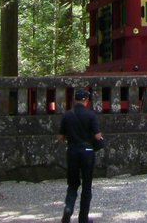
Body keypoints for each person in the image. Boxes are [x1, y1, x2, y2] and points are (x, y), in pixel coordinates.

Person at [58, 86, 103, 223]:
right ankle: (83, 218)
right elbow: (97, 135)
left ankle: (69, 207)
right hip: (88, 151)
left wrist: (70, 136)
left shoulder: (67, 115)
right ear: (87, 100)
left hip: (72, 151)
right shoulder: (90, 115)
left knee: (72, 183)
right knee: (86, 185)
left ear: (74, 100)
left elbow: (60, 137)